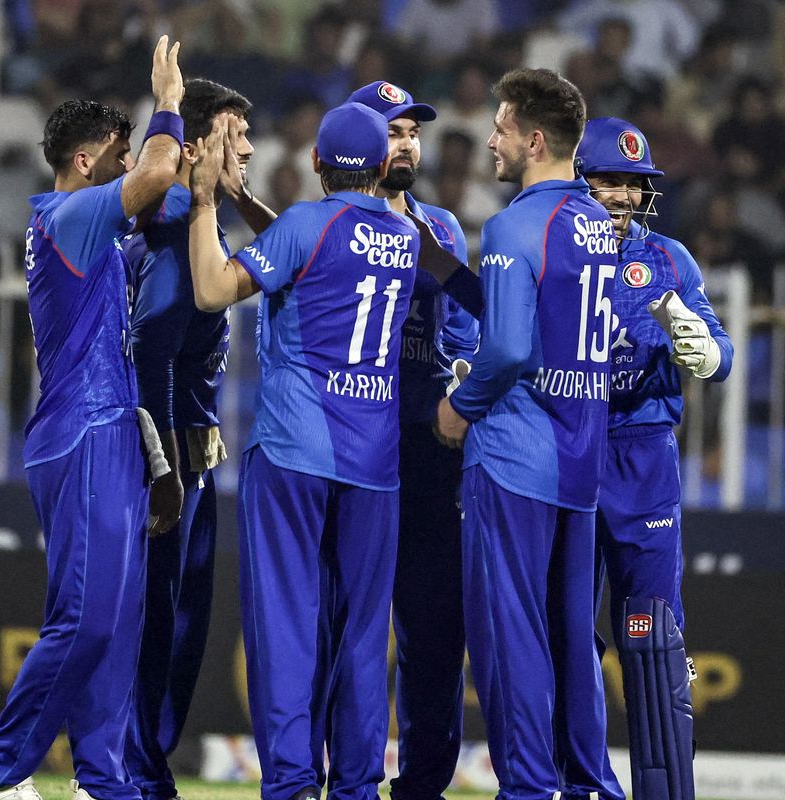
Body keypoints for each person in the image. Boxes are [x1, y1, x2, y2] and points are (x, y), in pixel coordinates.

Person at [0, 36, 186, 800]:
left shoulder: (92, 228)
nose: (132, 166)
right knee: (88, 621)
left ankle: (101, 780)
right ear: (88, 162)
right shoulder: (70, 216)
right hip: (84, 429)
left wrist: (211, 175)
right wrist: (168, 101)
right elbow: (160, 173)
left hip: (111, 432)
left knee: (116, 627)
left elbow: (171, 194)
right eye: (119, 154)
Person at [188, 101, 418, 800]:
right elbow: (318, 252)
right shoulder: (406, 236)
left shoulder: (303, 226)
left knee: (287, 628)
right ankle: (355, 788)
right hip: (375, 462)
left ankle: (290, 786)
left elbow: (212, 289)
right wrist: (249, 203)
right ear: (383, 167)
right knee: (360, 634)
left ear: (316, 163)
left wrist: (206, 204)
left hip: (293, 453)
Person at [433, 68, 625, 800]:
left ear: (534, 139)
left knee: (510, 638)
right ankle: (586, 785)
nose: (490, 139)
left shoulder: (515, 224)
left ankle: (526, 789)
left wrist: (460, 407)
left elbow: (510, 348)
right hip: (581, 459)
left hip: (515, 456)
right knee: (572, 637)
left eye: (502, 127)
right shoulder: (599, 225)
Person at [124, 77, 275, 800]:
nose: (247, 147)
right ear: (192, 149)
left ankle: (139, 768)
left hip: (189, 458)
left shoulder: (192, 217)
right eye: (232, 136)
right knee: (163, 630)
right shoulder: (179, 220)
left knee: (174, 629)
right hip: (171, 467)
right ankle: (134, 773)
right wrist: (162, 473)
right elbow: (148, 348)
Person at [576, 116, 733, 800]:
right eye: (607, 180)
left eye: (633, 185)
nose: (620, 196)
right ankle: (580, 786)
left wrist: (706, 346)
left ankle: (667, 792)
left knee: (654, 633)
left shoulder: (669, 259)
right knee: (569, 635)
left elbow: (719, 353)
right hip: (569, 447)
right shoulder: (550, 250)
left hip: (643, 455)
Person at [346, 80, 477, 800]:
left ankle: (421, 788)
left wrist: (448, 399)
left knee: (433, 639)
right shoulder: (328, 225)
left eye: (412, 132)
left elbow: (464, 334)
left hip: (428, 458)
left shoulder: (446, 231)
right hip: (354, 449)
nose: (405, 144)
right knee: (349, 633)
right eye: (391, 131)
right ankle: (345, 781)